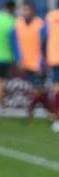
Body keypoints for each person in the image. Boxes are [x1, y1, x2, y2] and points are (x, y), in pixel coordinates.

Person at [14, 1, 49, 120]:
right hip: (25, 63)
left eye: (28, 10)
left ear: (33, 11)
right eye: (24, 10)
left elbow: (45, 45)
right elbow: (16, 43)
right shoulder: (18, 24)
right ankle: (50, 112)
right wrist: (19, 59)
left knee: (38, 90)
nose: (25, 12)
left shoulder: (40, 24)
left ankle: (31, 112)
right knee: (38, 91)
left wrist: (42, 63)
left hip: (38, 64)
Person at [45, 1, 59, 130]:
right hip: (55, 57)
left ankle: (56, 119)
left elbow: (44, 35)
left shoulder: (50, 16)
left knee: (56, 88)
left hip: (54, 57)